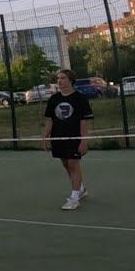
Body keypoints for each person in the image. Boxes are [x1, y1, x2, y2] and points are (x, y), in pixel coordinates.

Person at [41, 70, 93, 210]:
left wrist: (83, 140)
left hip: (74, 137)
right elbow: (50, 120)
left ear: (71, 80)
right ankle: (81, 189)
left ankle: (74, 198)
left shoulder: (80, 99)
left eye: (63, 78)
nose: (59, 81)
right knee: (66, 164)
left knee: (73, 165)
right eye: (58, 78)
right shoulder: (54, 99)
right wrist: (45, 137)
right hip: (58, 137)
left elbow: (84, 121)